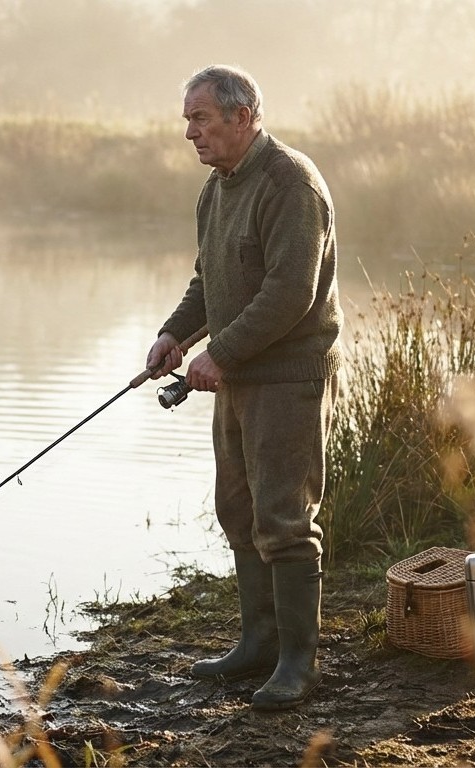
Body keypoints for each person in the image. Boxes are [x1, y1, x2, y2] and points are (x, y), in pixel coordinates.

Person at [145, 65, 342, 711]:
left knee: (284, 519)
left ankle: (298, 664)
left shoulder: (290, 182)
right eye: (187, 118)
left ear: (243, 115)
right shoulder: (216, 187)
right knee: (239, 512)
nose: (189, 132)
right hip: (236, 376)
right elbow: (208, 280)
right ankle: (256, 645)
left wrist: (219, 352)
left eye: (200, 117)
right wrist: (175, 336)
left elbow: (291, 293)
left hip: (286, 378)